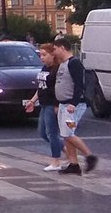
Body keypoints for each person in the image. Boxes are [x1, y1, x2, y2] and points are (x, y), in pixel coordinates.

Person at [50, 36, 98, 175]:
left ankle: (89, 156)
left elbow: (79, 84)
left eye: (55, 49)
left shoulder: (74, 63)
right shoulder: (63, 63)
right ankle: (73, 163)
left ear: (62, 48)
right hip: (64, 105)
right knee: (66, 135)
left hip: (72, 106)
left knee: (68, 133)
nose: (54, 52)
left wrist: (73, 103)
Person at [25, 41, 65, 171]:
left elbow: (59, 88)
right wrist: (32, 100)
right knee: (42, 133)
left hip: (52, 103)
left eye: (44, 55)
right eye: (40, 55)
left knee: (51, 133)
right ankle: (66, 149)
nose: (41, 57)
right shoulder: (44, 68)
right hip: (43, 103)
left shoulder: (57, 69)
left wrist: (57, 104)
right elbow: (41, 87)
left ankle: (56, 161)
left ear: (53, 55)